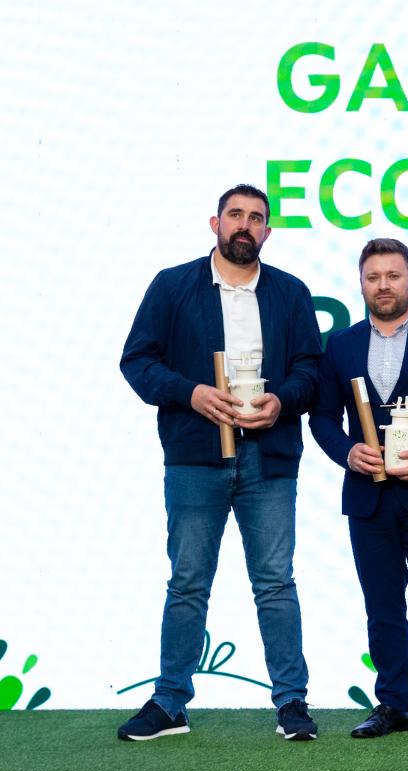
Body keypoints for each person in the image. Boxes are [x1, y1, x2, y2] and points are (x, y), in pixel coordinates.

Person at [118, 184, 322, 741]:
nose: (244, 225)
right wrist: (191, 394)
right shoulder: (173, 286)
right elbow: (137, 361)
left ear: (267, 232)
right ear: (215, 223)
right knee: (188, 581)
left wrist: (282, 400)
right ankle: (169, 702)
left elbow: (311, 370)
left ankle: (292, 703)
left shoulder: (290, 293)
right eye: (235, 214)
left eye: (256, 218)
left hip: (269, 459)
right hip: (195, 456)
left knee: (275, 582)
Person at [309, 238, 408, 745]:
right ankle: (393, 704)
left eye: (393, 276)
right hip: (367, 497)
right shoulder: (340, 345)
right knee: (381, 606)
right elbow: (322, 418)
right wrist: (347, 453)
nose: (383, 285)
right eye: (373, 277)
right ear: (361, 284)